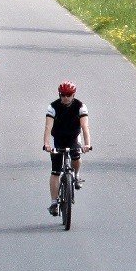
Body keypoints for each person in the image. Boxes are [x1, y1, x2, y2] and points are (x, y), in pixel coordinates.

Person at [43, 81, 92, 219]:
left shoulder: (80, 106)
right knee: (55, 171)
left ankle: (75, 176)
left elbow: (85, 127)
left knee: (76, 155)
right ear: (59, 95)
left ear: (73, 95)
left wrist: (87, 144)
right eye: (63, 95)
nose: (65, 98)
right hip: (58, 138)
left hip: (73, 137)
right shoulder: (53, 107)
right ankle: (54, 203)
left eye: (69, 95)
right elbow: (48, 127)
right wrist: (46, 144)